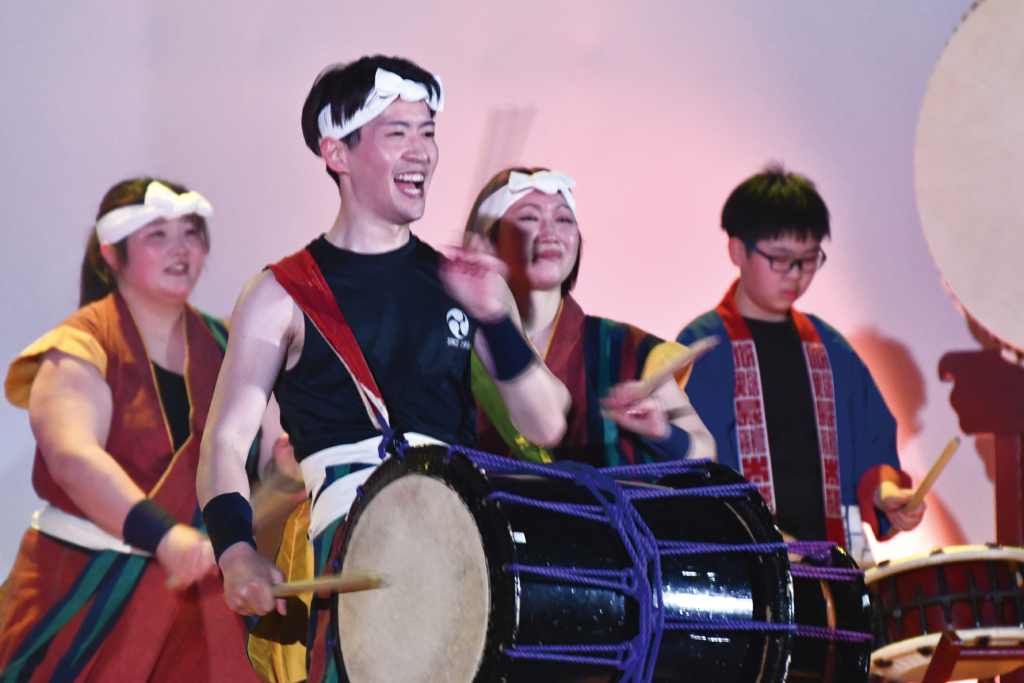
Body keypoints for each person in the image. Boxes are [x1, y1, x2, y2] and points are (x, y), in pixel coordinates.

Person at [196, 56, 569, 683]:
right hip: (350, 545)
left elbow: (547, 423)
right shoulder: (281, 294)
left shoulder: (463, 282)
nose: (421, 151)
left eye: (428, 132)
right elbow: (225, 443)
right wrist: (235, 552)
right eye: (398, 133)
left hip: (463, 541)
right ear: (337, 153)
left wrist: (495, 319)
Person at [0, 178, 263, 682]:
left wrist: (290, 459)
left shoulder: (225, 344)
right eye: (157, 234)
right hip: (85, 593)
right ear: (111, 254)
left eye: (190, 232)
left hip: (202, 608)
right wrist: (163, 536)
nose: (181, 248)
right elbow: (73, 459)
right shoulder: (80, 345)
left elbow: (266, 449)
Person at [676, 164, 924, 563]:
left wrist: (887, 494)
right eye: (781, 259)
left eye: (809, 259)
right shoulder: (703, 348)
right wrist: (764, 538)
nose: (796, 274)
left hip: (833, 562)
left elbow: (872, 442)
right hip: (748, 565)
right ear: (738, 251)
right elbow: (695, 470)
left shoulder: (830, 348)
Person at [465, 168, 716, 465]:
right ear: (486, 240)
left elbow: (705, 451)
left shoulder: (626, 348)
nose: (550, 234)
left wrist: (661, 432)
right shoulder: (454, 340)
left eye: (563, 219)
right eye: (529, 218)